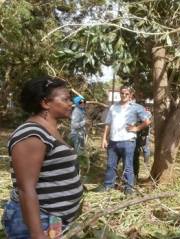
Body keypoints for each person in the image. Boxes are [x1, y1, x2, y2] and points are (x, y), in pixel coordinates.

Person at [2, 76, 83, 238]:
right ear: (46, 103)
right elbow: (26, 188)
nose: (71, 104)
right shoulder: (32, 134)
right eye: (66, 99)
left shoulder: (48, 130)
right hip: (38, 221)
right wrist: (37, 234)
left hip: (51, 219)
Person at [99, 85, 151, 195]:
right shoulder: (113, 107)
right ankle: (108, 185)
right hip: (113, 141)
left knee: (128, 166)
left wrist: (136, 128)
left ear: (131, 95)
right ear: (120, 93)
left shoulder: (136, 107)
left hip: (128, 141)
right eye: (122, 93)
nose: (124, 95)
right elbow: (108, 123)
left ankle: (129, 188)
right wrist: (104, 138)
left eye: (127, 94)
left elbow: (147, 121)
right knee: (111, 165)